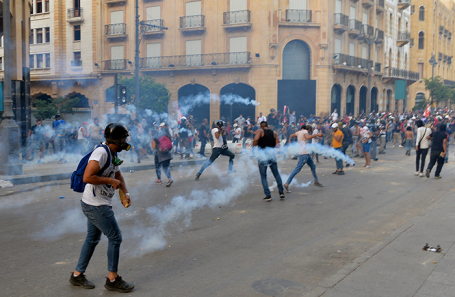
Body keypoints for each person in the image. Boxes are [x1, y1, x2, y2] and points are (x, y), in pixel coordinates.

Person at [70, 123, 134, 293]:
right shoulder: (101, 153)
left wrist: (125, 193)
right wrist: (110, 181)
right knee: (115, 237)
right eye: (124, 138)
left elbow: (118, 174)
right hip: (95, 205)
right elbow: (87, 177)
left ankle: (77, 275)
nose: (126, 141)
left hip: (97, 203)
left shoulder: (112, 153)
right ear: (118, 140)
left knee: (92, 239)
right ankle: (112, 279)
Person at [284, 124, 324, 193]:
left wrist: (290, 140)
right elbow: (308, 137)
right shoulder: (305, 131)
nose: (308, 132)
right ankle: (286, 184)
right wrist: (316, 135)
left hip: (306, 154)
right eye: (309, 131)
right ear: (308, 130)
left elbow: (291, 135)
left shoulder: (298, 132)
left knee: (313, 166)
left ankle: (316, 181)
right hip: (304, 154)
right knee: (297, 169)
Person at [253, 121, 285, 201]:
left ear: (261, 126)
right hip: (272, 155)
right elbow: (278, 145)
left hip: (263, 156)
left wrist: (254, 145)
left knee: (263, 176)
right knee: (276, 174)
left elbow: (256, 139)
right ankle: (281, 192)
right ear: (267, 126)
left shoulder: (260, 131)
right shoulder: (273, 132)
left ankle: (268, 195)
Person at [152, 123, 173, 187]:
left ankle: (161, 179)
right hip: (168, 154)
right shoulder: (167, 134)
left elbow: (154, 147)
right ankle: (169, 178)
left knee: (160, 167)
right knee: (166, 167)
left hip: (161, 154)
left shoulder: (156, 136)